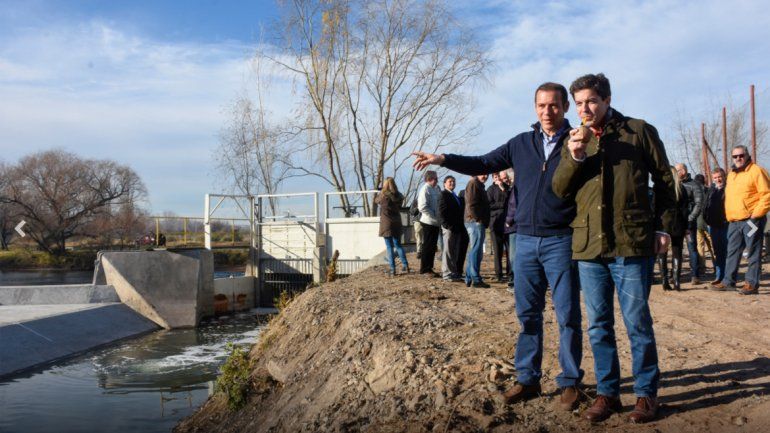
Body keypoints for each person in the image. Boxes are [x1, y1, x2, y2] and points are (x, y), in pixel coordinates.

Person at [413, 82, 583, 412]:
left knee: (567, 315)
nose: (547, 111)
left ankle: (570, 382)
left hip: (561, 240)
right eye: (541, 105)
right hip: (526, 240)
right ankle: (528, 378)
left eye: (554, 106)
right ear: (535, 108)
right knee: (528, 314)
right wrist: (443, 158)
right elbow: (482, 162)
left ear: (565, 107)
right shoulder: (521, 143)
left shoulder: (577, 141)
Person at [552, 73, 676, 423]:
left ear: (606, 99)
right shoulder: (573, 139)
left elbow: (665, 181)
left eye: (591, 101)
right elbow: (559, 190)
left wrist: (663, 226)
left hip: (631, 243)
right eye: (578, 104)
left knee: (637, 323)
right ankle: (608, 393)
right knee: (599, 326)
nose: (584, 109)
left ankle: (646, 395)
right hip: (590, 247)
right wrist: (574, 157)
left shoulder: (638, 131)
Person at [712, 145, 770, 294]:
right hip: (734, 221)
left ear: (747, 155)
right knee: (732, 252)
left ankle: (751, 283)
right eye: (735, 156)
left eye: (741, 155)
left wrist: (756, 215)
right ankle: (728, 281)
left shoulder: (757, 171)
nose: (738, 158)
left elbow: (767, 195)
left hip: (751, 220)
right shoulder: (731, 174)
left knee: (753, 252)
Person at [659, 166, 689, 291]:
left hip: (664, 224)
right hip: (679, 224)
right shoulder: (681, 189)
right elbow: (685, 210)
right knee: (677, 253)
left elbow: (656, 207)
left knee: (662, 253)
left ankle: (665, 282)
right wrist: (686, 226)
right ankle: (676, 282)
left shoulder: (662, 189)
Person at [675, 163, 704, 284]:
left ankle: (695, 276)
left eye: (677, 171)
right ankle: (676, 275)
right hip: (677, 223)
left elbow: (698, 204)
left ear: (684, 171)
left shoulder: (694, 185)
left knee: (692, 248)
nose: (676, 173)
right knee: (677, 249)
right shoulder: (676, 185)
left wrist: (690, 218)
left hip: (688, 224)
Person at [375, 177, 410, 276]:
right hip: (397, 222)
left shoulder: (383, 196)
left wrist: (381, 191)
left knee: (389, 247)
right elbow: (400, 202)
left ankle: (392, 269)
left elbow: (376, 200)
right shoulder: (398, 195)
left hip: (386, 223)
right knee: (398, 245)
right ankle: (405, 265)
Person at [438, 175, 468, 281]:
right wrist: (447, 226)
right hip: (449, 228)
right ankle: (446, 274)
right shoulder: (443, 194)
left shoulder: (454, 195)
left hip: (457, 227)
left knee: (454, 251)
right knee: (448, 251)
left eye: (454, 182)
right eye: (450, 181)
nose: (452, 183)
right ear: (444, 183)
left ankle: (454, 272)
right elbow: (441, 212)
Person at [704, 168, 728, 286]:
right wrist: (706, 219)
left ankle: (727, 278)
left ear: (724, 176)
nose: (718, 179)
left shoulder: (729, 189)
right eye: (715, 177)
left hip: (726, 225)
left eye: (720, 177)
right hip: (713, 226)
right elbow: (706, 205)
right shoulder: (711, 190)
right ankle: (719, 276)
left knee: (727, 252)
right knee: (718, 252)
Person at [487, 171, 512, 282]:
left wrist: (503, 188)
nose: (498, 179)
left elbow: (511, 202)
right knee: (498, 251)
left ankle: (510, 273)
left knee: (509, 251)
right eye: (495, 177)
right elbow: (489, 205)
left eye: (499, 177)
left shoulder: (507, 188)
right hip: (495, 223)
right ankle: (499, 274)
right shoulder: (490, 190)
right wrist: (501, 205)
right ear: (493, 178)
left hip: (508, 223)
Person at [417, 170, 441, 276]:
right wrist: (434, 214)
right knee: (427, 246)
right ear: (429, 179)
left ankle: (429, 268)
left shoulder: (436, 189)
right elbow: (422, 206)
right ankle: (424, 269)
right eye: (435, 178)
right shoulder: (425, 189)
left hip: (435, 222)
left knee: (432, 247)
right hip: (428, 222)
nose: (437, 180)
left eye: (437, 178)